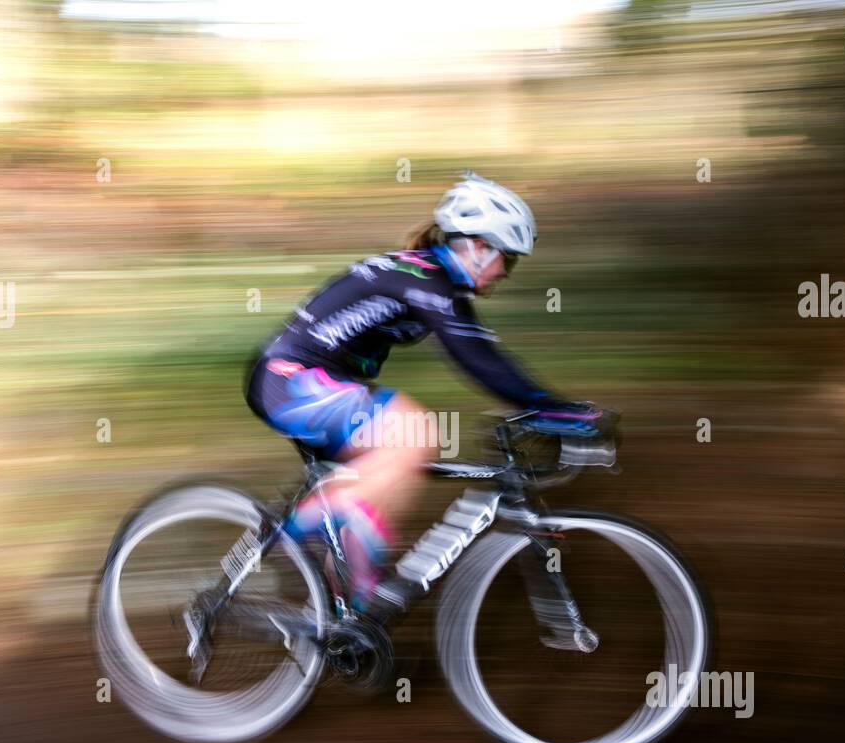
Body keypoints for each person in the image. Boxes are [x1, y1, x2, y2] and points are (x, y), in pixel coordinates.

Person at [244, 171, 599, 618]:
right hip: (288, 381)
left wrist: (549, 408)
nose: (507, 271)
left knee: (391, 478)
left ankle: (352, 618)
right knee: (413, 430)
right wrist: (559, 412)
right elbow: (480, 363)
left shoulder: (432, 283)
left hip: (308, 384)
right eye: (507, 258)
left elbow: (486, 356)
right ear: (476, 245)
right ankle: (298, 529)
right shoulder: (423, 280)